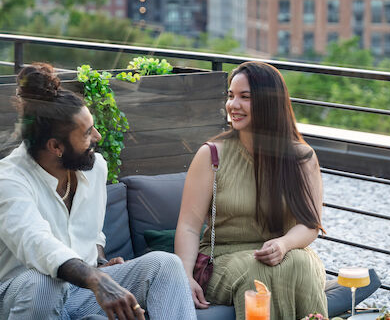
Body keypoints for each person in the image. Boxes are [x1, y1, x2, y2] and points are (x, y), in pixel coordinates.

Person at [0, 63, 197, 320]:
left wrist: (101, 264)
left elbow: (91, 234)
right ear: (56, 146)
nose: (98, 136)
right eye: (86, 133)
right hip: (23, 297)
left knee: (165, 265)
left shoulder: (94, 168)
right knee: (45, 282)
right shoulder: (9, 180)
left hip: (81, 291)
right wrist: (96, 280)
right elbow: (37, 243)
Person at [175, 61, 328, 319]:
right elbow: (189, 226)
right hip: (223, 259)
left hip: (286, 253)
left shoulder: (302, 158)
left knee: (302, 263)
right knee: (258, 272)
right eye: (231, 96)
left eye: (245, 97)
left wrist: (284, 244)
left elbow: (310, 224)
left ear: (270, 103)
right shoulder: (211, 155)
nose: (233, 105)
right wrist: (184, 277)